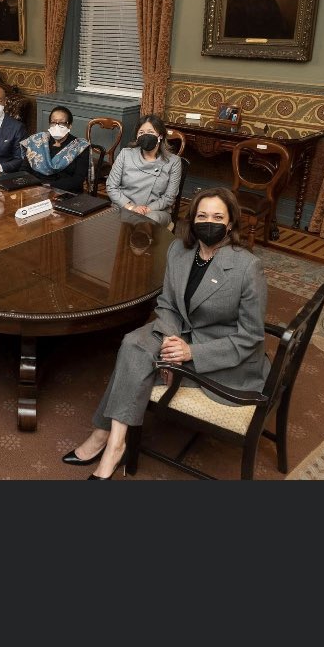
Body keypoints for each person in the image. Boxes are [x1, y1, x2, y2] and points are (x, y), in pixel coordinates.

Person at [63, 187, 269, 480]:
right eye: (202, 215)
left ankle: (103, 437)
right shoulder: (179, 250)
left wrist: (189, 353)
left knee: (133, 355)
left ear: (231, 223)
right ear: (192, 220)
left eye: (217, 217)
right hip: (180, 331)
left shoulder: (248, 267)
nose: (208, 222)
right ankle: (114, 443)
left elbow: (251, 337)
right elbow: (168, 304)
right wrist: (174, 341)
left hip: (219, 353)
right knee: (133, 343)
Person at [105, 114, 183, 227]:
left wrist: (146, 210)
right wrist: (132, 207)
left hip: (155, 211)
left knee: (148, 222)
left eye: (150, 132)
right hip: (124, 207)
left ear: (160, 135)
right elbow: (111, 186)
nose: (145, 136)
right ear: (137, 136)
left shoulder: (174, 161)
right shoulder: (126, 154)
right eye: (141, 133)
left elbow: (169, 197)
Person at [19, 106, 90, 193]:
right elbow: (24, 169)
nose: (57, 126)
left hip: (65, 191)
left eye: (61, 123)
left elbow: (78, 179)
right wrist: (33, 187)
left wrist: (49, 187)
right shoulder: (37, 141)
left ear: (70, 125)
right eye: (53, 122)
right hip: (34, 189)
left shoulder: (79, 146)